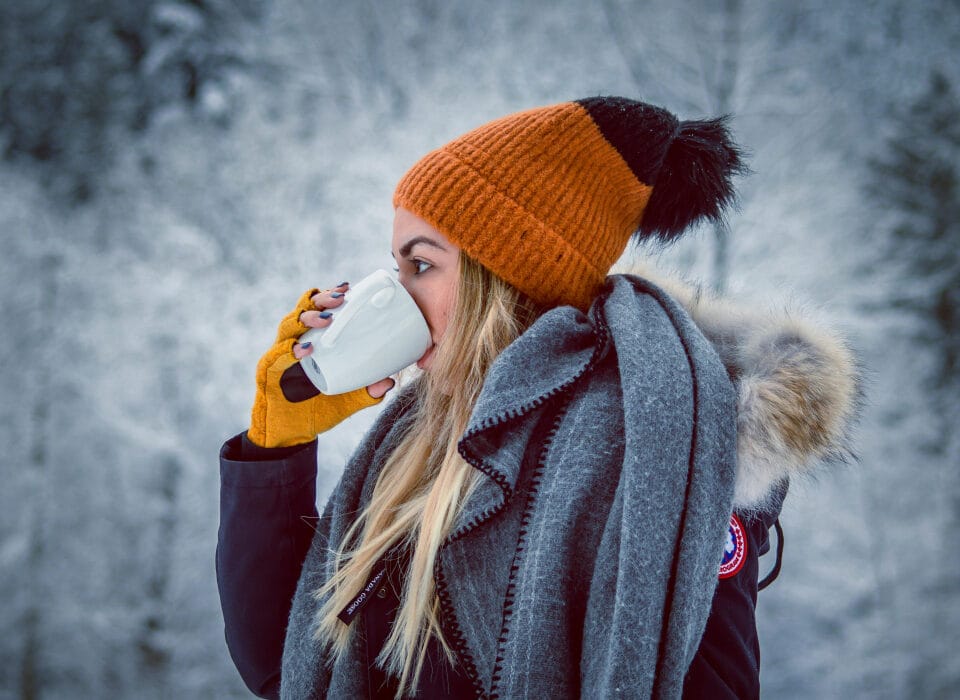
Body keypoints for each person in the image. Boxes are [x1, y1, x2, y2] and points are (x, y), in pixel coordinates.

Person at [216, 97, 859, 699]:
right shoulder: (420, 441)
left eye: (421, 264)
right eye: (395, 265)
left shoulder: (654, 449)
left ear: (505, 274)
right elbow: (283, 663)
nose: (394, 293)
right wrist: (279, 446)